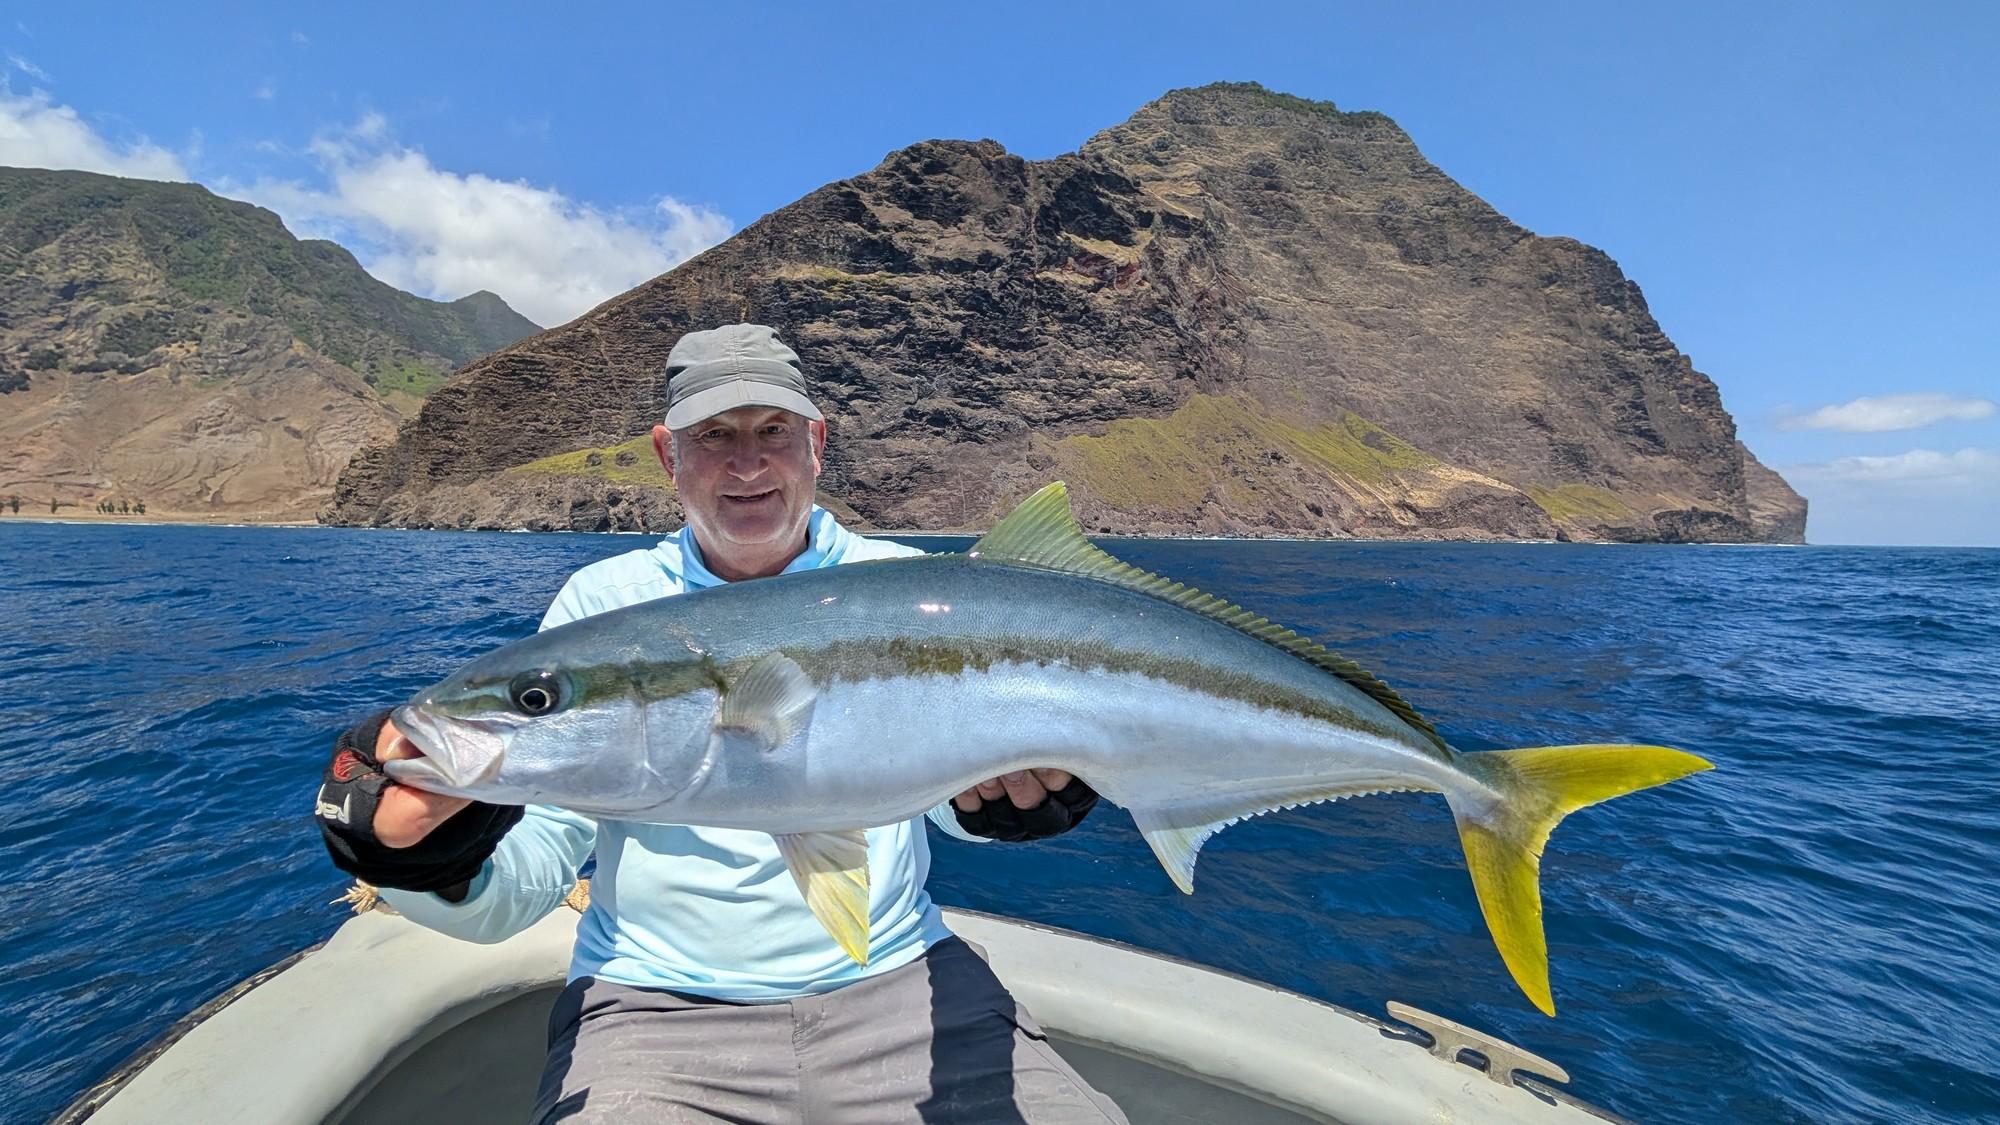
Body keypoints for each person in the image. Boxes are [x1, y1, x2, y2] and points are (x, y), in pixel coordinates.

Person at [315, 323, 1126, 1124]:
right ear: (668, 455)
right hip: (653, 1010)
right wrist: (424, 861)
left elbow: (941, 796)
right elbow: (525, 880)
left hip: (905, 982)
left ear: (816, 444)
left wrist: (1010, 807)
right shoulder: (604, 605)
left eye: (773, 431)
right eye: (714, 435)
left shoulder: (910, 586)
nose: (747, 463)